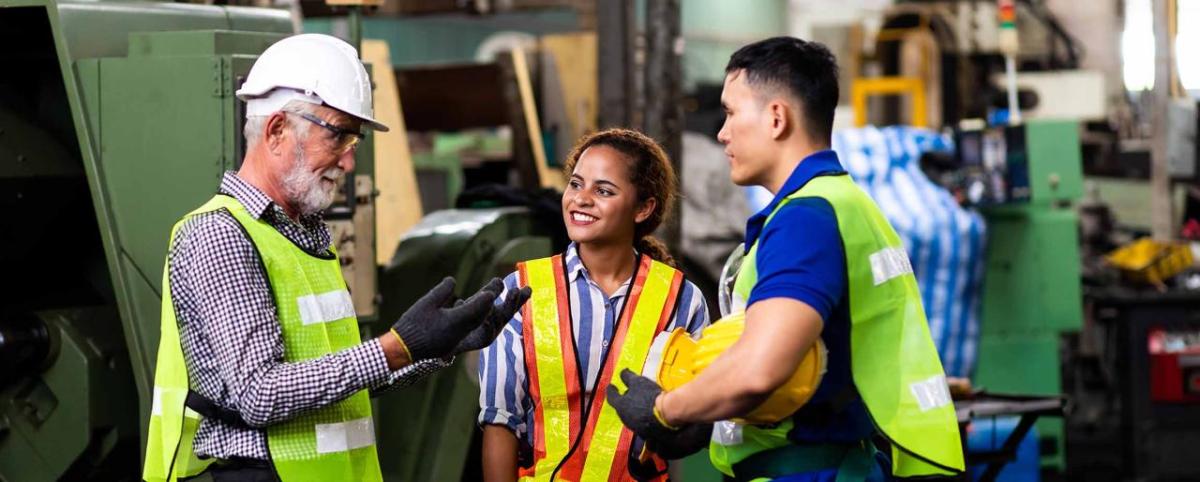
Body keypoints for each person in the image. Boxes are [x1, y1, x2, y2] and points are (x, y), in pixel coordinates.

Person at [141, 34, 530, 482]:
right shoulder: (220, 235)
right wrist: (395, 346)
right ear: (277, 130)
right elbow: (259, 395)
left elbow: (341, 375)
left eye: (354, 142)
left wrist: (437, 348)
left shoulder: (303, 238)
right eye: (338, 136)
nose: (349, 163)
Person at [607, 37, 964, 481]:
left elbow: (762, 368)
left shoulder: (805, 220)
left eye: (732, 112)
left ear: (776, 117)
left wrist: (665, 409)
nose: (721, 131)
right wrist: (709, 410)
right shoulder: (843, 202)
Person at [478, 129, 711, 482]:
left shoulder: (682, 300)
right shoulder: (521, 293)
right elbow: (499, 421)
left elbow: (695, 415)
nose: (581, 199)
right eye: (575, 184)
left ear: (643, 207)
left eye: (603, 190)